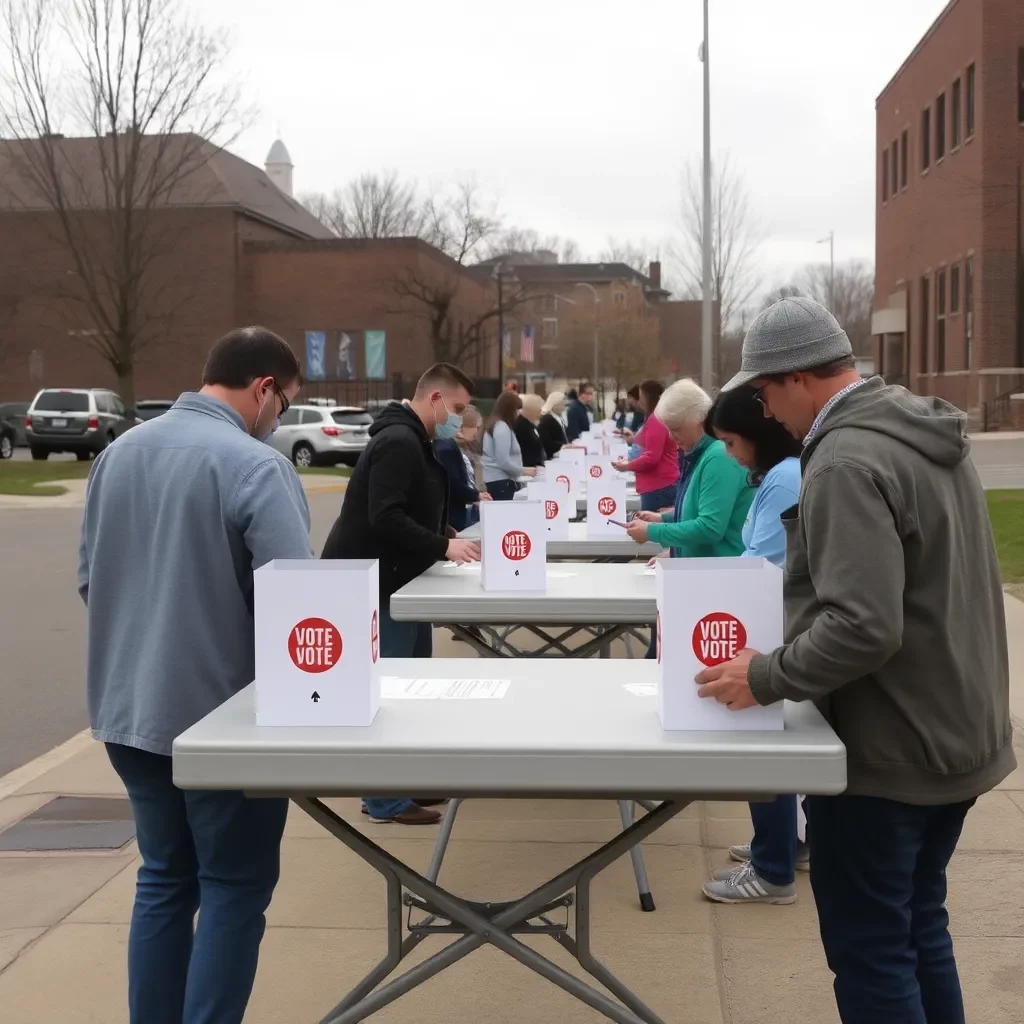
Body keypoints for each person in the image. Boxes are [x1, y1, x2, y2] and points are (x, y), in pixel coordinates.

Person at [694, 297, 1015, 1024]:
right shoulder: (920, 431)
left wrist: (764, 675)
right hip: (958, 730)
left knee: (873, 952)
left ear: (801, 379)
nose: (768, 412)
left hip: (888, 750)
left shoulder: (842, 458)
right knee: (919, 931)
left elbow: (864, 625)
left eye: (766, 392)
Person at [78, 327, 313, 1024]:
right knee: (235, 887)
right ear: (264, 388)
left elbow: (92, 580)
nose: (281, 421)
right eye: (285, 404)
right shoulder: (257, 468)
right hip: (226, 721)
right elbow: (298, 609)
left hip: (129, 711)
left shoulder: (117, 456)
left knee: (163, 879)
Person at [322, 363, 481, 825]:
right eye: (455, 408)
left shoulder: (413, 439)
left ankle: (404, 781)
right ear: (433, 400)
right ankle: (384, 798)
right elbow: (384, 516)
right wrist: (442, 544)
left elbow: (407, 507)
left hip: (397, 581)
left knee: (413, 684)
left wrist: (441, 530)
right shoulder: (398, 442)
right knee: (388, 690)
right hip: (376, 583)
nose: (458, 418)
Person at [694, 385, 805, 906]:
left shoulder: (784, 477)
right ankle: (786, 845)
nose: (731, 454)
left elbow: (759, 559)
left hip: (769, 621)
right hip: (775, 615)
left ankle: (773, 867)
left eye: (733, 442)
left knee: (763, 746)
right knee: (772, 744)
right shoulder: (780, 474)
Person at [624, 379, 753, 660]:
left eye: (675, 428)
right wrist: (666, 518)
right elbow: (701, 510)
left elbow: (710, 527)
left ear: (696, 421)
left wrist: (654, 532)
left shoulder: (718, 457)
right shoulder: (704, 454)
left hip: (715, 581)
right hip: (700, 576)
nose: (672, 437)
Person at [612, 379, 678, 512]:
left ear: (649, 398)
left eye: (641, 396)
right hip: (659, 484)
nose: (639, 400)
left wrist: (627, 466)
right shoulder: (657, 418)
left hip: (658, 486)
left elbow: (652, 458)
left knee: (652, 528)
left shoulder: (656, 420)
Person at [435, 405, 490, 532]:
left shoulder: (462, 446)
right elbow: (453, 483)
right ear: (463, 427)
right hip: (454, 513)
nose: (477, 432)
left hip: (464, 507)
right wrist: (475, 495)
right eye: (476, 427)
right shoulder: (448, 447)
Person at [482, 390, 534, 499]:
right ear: (510, 409)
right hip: (501, 482)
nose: (518, 413)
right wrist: (523, 471)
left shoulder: (497, 425)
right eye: (516, 410)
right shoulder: (502, 428)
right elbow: (503, 461)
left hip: (497, 481)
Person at [513, 393, 547, 469]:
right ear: (532, 410)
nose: (541, 413)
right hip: (527, 469)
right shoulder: (521, 426)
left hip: (534, 467)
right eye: (539, 410)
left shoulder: (530, 424)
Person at [538, 391, 569, 459]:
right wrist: (563, 446)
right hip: (553, 456)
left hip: (563, 453)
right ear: (555, 404)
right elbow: (546, 441)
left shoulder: (559, 417)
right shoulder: (547, 420)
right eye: (562, 402)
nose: (564, 404)